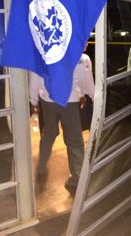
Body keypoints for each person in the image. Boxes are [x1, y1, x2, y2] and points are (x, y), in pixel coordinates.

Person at [31, 56, 93, 194]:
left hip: (47, 99)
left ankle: (41, 167)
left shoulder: (43, 52)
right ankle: (77, 179)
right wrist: (86, 95)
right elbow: (84, 78)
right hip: (69, 100)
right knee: (74, 141)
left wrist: (33, 100)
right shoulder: (80, 56)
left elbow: (36, 76)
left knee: (49, 132)